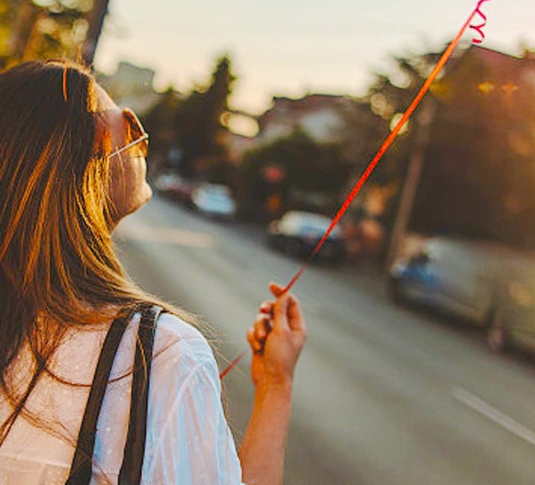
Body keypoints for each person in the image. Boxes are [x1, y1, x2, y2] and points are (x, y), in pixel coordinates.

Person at [0, 59, 307, 484]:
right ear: (85, 155)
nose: (140, 140)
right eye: (126, 122)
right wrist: (277, 385)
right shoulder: (158, 354)